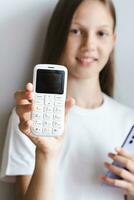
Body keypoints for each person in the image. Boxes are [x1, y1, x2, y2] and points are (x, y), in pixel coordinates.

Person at [1, 0, 134, 199]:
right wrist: (46, 153)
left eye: (101, 33)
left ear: (113, 41)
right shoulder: (29, 117)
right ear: (59, 34)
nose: (89, 45)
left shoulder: (129, 121)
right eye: (76, 31)